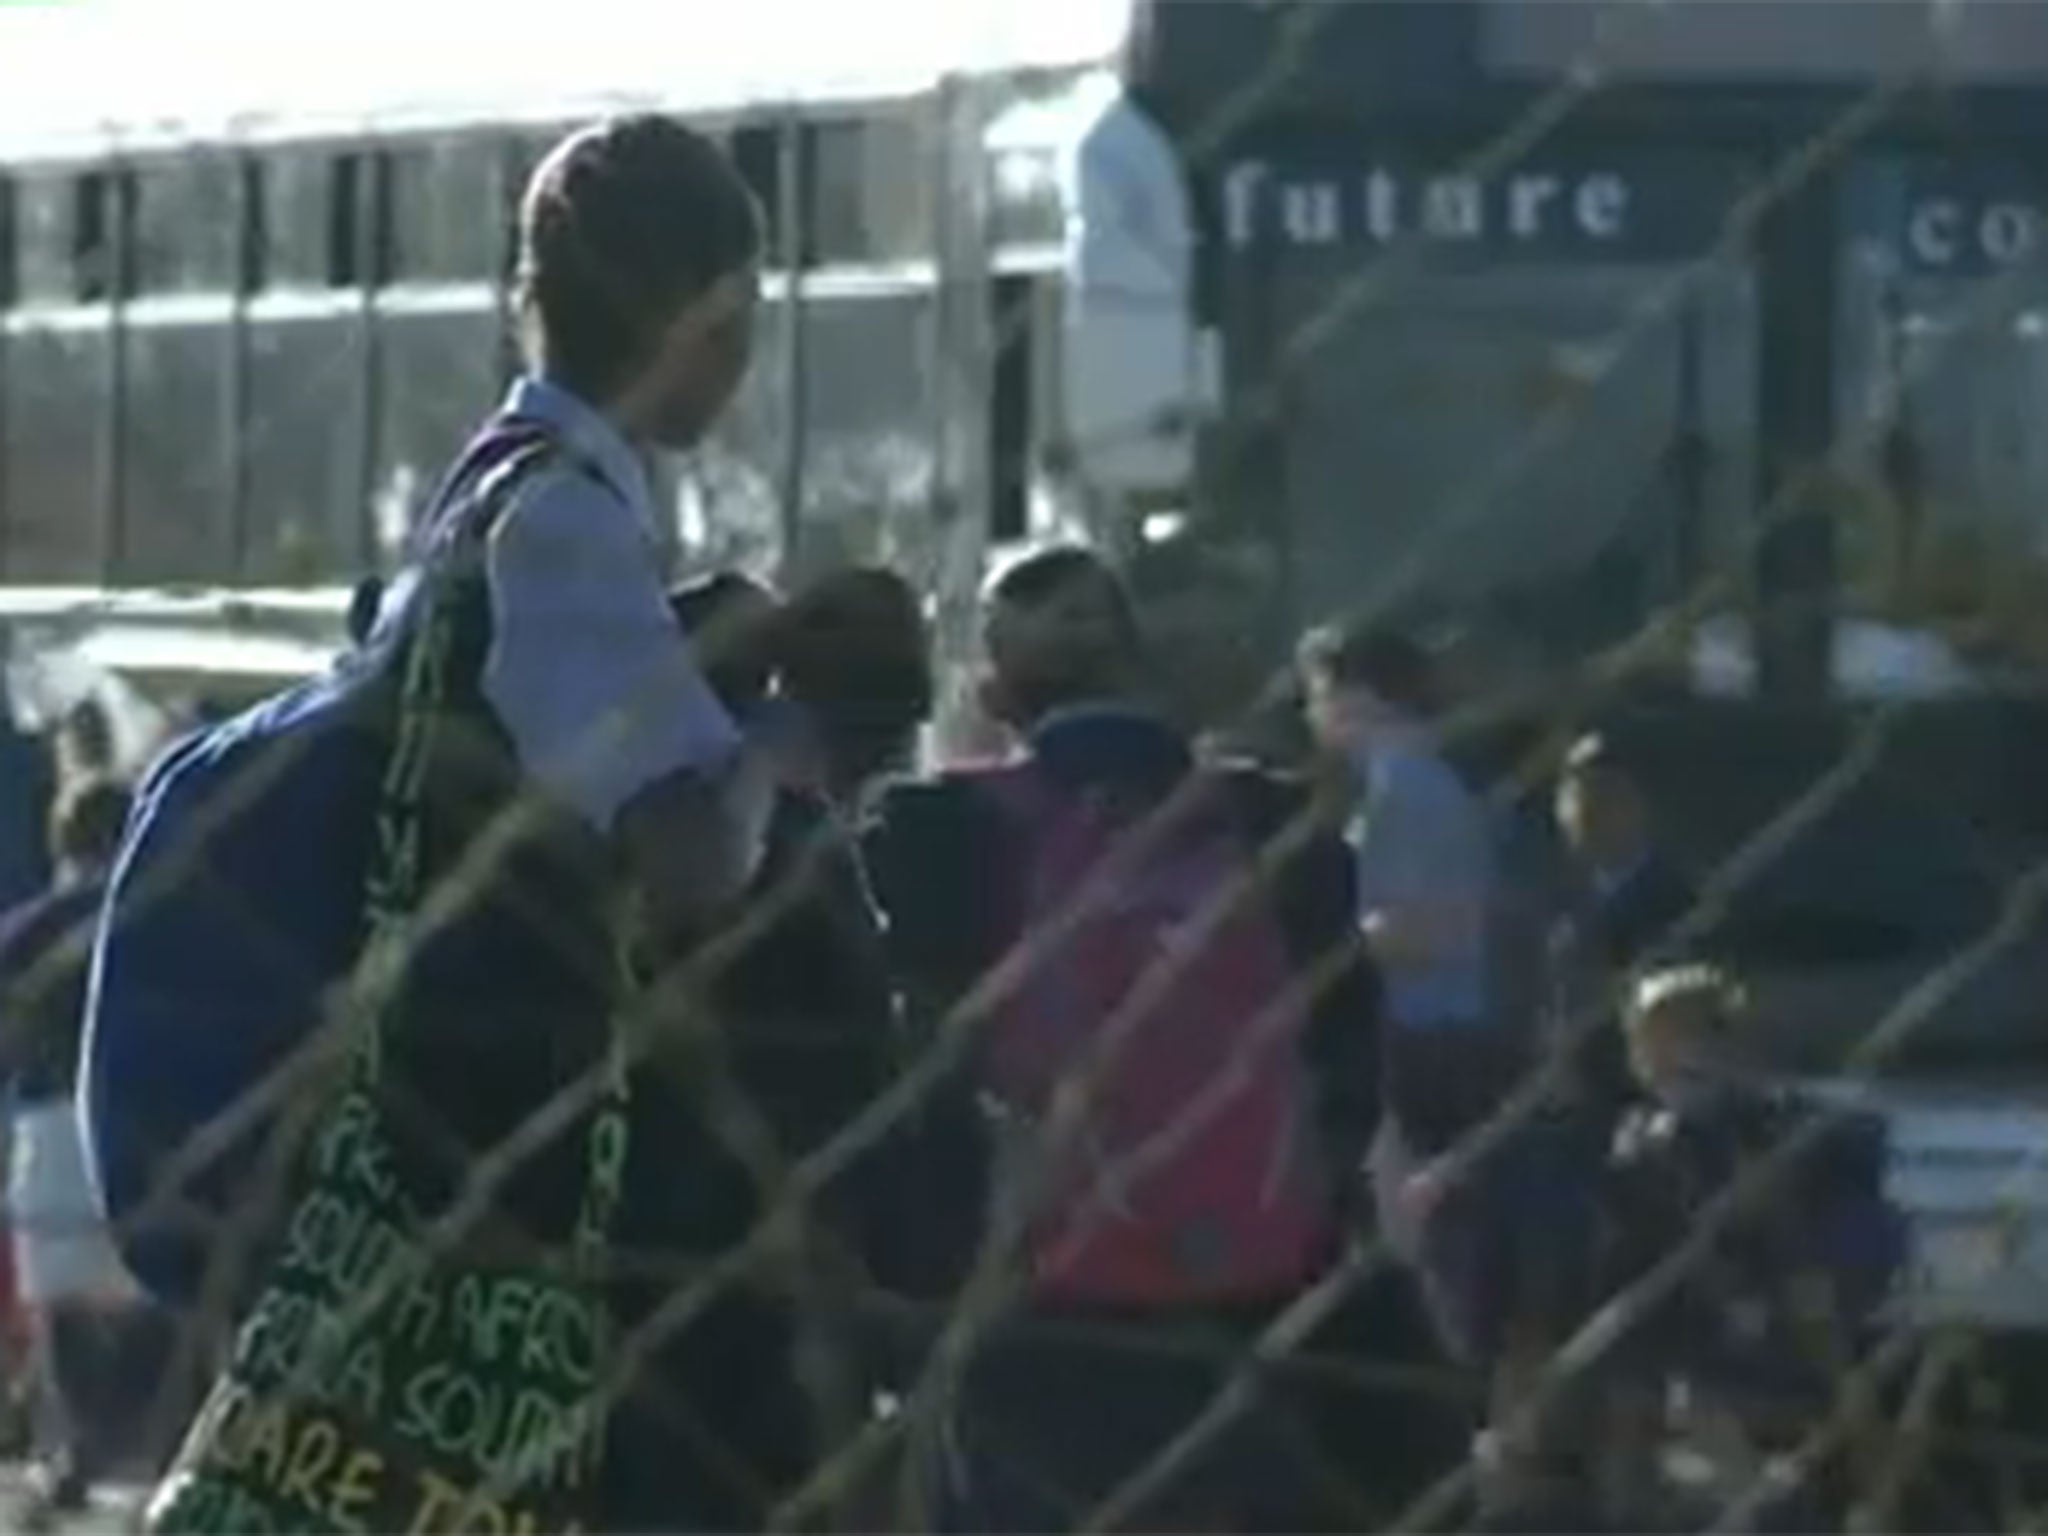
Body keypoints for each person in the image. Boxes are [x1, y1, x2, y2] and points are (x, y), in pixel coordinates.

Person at [91, 115, 772, 1534]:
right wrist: (786, 736)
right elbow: (687, 860)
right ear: (699, 316)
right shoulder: (566, 530)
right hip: (498, 1179)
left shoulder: (482, 495)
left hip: (393, 1162)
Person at [868, 546, 1382, 1532]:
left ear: (990, 685)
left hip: (1030, 1290)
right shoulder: (1270, 821)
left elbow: (912, 1072)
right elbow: (1347, 1052)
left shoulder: (936, 831)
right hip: (1248, 1284)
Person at [1592, 965, 1905, 1529]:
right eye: (1649, 1043)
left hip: (1801, 1322)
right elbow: (1638, 1253)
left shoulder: (1789, 1124)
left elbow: (1854, 1199)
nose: (1665, 1058)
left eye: (1685, 1035)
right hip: (1698, 1341)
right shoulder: (1644, 1146)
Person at [0, 778, 175, 1529]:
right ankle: (161, 1457)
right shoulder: (166, 918)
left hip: (49, 1130)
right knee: (158, 1305)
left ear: (63, 839)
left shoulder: (29, 929)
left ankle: (75, 1454)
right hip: (147, 1131)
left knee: (63, 1312)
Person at [1549, 731, 1697, 1118]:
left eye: (1604, 796)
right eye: (1575, 795)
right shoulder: (1563, 897)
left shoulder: (1672, 901)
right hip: (1572, 1098)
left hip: (1638, 1099)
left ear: (1637, 804)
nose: (1586, 812)